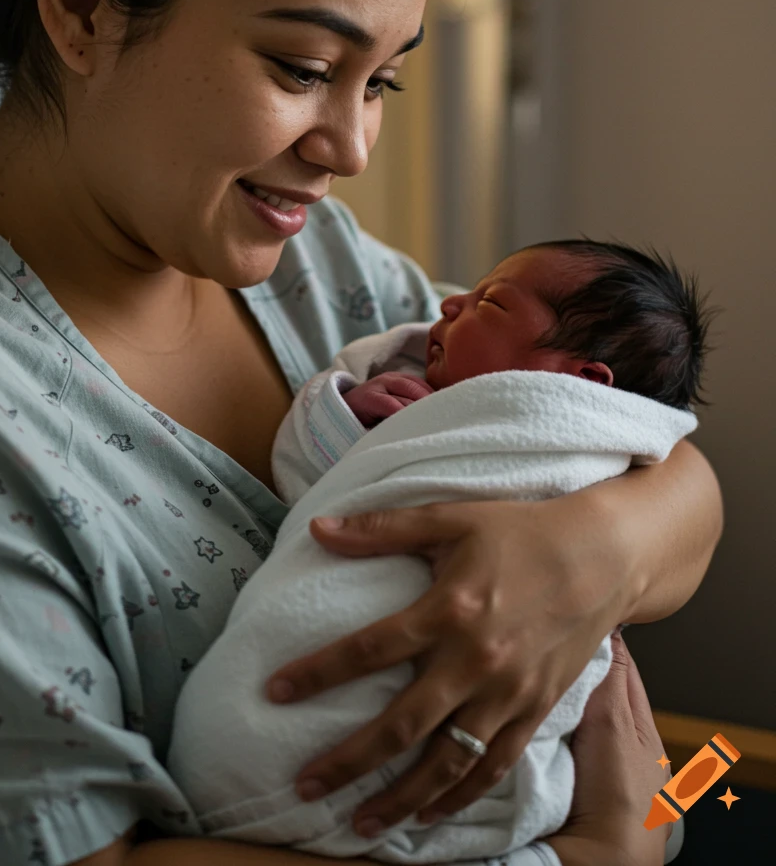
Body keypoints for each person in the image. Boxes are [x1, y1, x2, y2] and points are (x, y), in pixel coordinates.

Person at [0, 0, 721, 866]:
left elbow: (647, 451)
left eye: (377, 79)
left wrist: (596, 553)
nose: (349, 146)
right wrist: (589, 856)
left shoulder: (308, 272)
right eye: (298, 66)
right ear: (81, 4)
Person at [167, 241, 708, 860]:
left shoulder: (584, 440)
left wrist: (599, 546)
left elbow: (693, 492)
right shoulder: (418, 398)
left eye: (492, 303)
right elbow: (318, 488)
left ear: (580, 384)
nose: (448, 304)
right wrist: (353, 420)